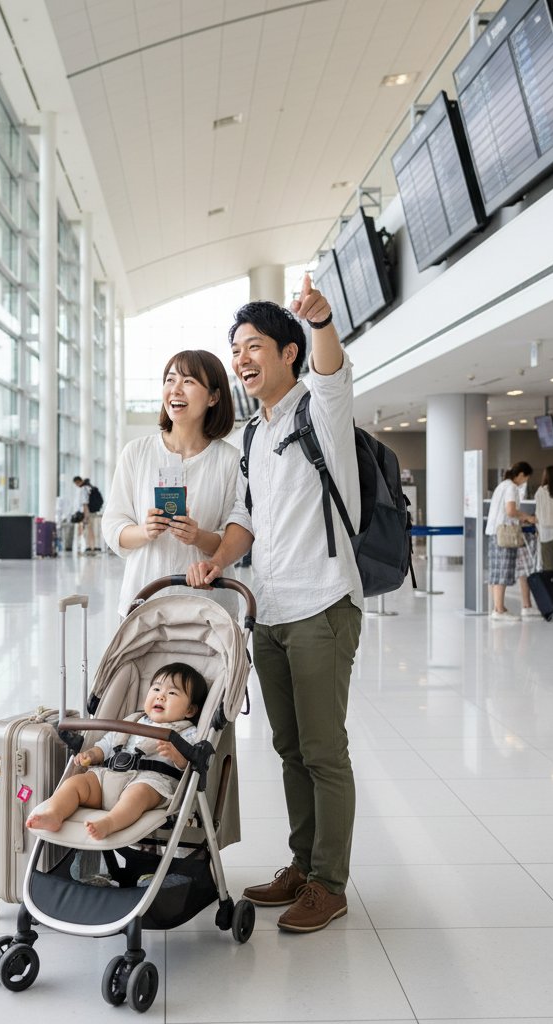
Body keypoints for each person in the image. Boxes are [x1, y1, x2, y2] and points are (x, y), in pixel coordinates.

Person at [186, 273, 363, 934]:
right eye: (236, 348)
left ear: (287, 352)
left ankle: (330, 883)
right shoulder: (256, 438)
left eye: (254, 344)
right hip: (272, 611)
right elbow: (244, 519)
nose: (241, 357)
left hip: (323, 605)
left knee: (323, 751)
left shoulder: (319, 409)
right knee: (289, 749)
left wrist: (319, 320)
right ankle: (302, 863)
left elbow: (332, 370)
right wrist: (216, 560)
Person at [101, 349, 239, 618]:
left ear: (214, 396)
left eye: (188, 381)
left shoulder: (230, 460)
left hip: (209, 613)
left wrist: (198, 537)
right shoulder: (137, 452)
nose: (176, 389)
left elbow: (236, 536)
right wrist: (145, 531)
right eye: (170, 380)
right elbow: (113, 526)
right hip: (144, 605)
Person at [25, 663, 207, 840]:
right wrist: (92, 755)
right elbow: (107, 744)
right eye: (156, 689)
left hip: (151, 781)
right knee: (76, 783)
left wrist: (177, 754)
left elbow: (190, 765)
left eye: (172, 693)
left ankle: (109, 823)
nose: (161, 697)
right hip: (109, 776)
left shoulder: (187, 731)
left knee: (138, 794)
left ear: (190, 710)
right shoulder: (132, 720)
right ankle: (54, 814)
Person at [485, 461, 537, 620]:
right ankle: (499, 610)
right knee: (503, 571)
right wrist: (528, 517)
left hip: (495, 533)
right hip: (505, 534)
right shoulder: (511, 488)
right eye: (526, 477)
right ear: (521, 474)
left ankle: (498, 608)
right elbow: (511, 511)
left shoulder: (502, 485)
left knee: (496, 571)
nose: (525, 481)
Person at [72, 475, 100, 554]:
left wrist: (85, 517)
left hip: (86, 514)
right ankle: (91, 547)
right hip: (89, 513)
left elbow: (85, 504)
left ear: (78, 481)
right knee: (89, 531)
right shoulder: (88, 488)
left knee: (88, 531)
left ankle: (91, 548)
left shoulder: (83, 489)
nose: (76, 485)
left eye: (76, 483)